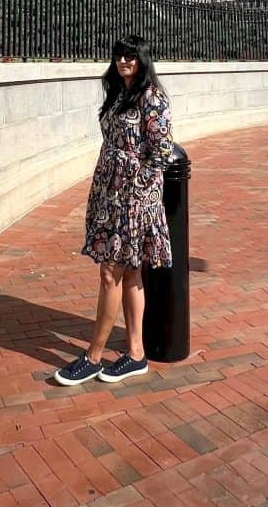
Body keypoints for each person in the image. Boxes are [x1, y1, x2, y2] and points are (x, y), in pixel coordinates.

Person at [53, 35, 173, 386]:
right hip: (110, 191)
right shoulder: (120, 93)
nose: (124, 61)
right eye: (119, 55)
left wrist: (137, 192)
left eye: (131, 57)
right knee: (130, 272)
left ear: (143, 60)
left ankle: (92, 357)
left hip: (133, 199)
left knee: (111, 273)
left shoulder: (153, 98)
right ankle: (136, 354)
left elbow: (161, 152)